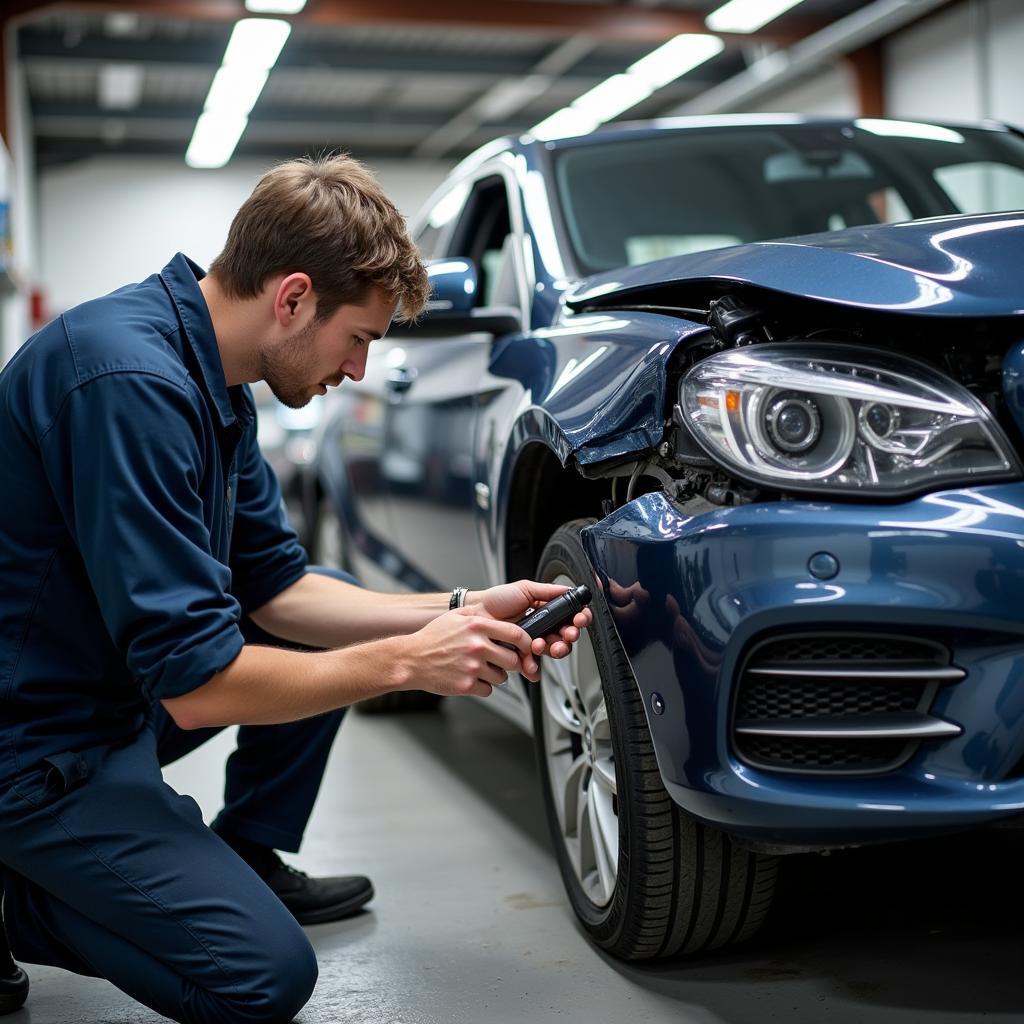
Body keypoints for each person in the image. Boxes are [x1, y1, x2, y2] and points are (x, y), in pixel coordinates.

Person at [0, 154, 591, 1024]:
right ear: (293, 297)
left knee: (333, 607)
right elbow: (198, 689)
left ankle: (243, 853)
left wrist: (462, 606)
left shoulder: (220, 379)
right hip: (33, 746)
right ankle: (26, 896)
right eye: (358, 338)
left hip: (105, 698)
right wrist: (404, 663)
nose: (357, 371)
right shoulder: (129, 384)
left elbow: (278, 590)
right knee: (261, 977)